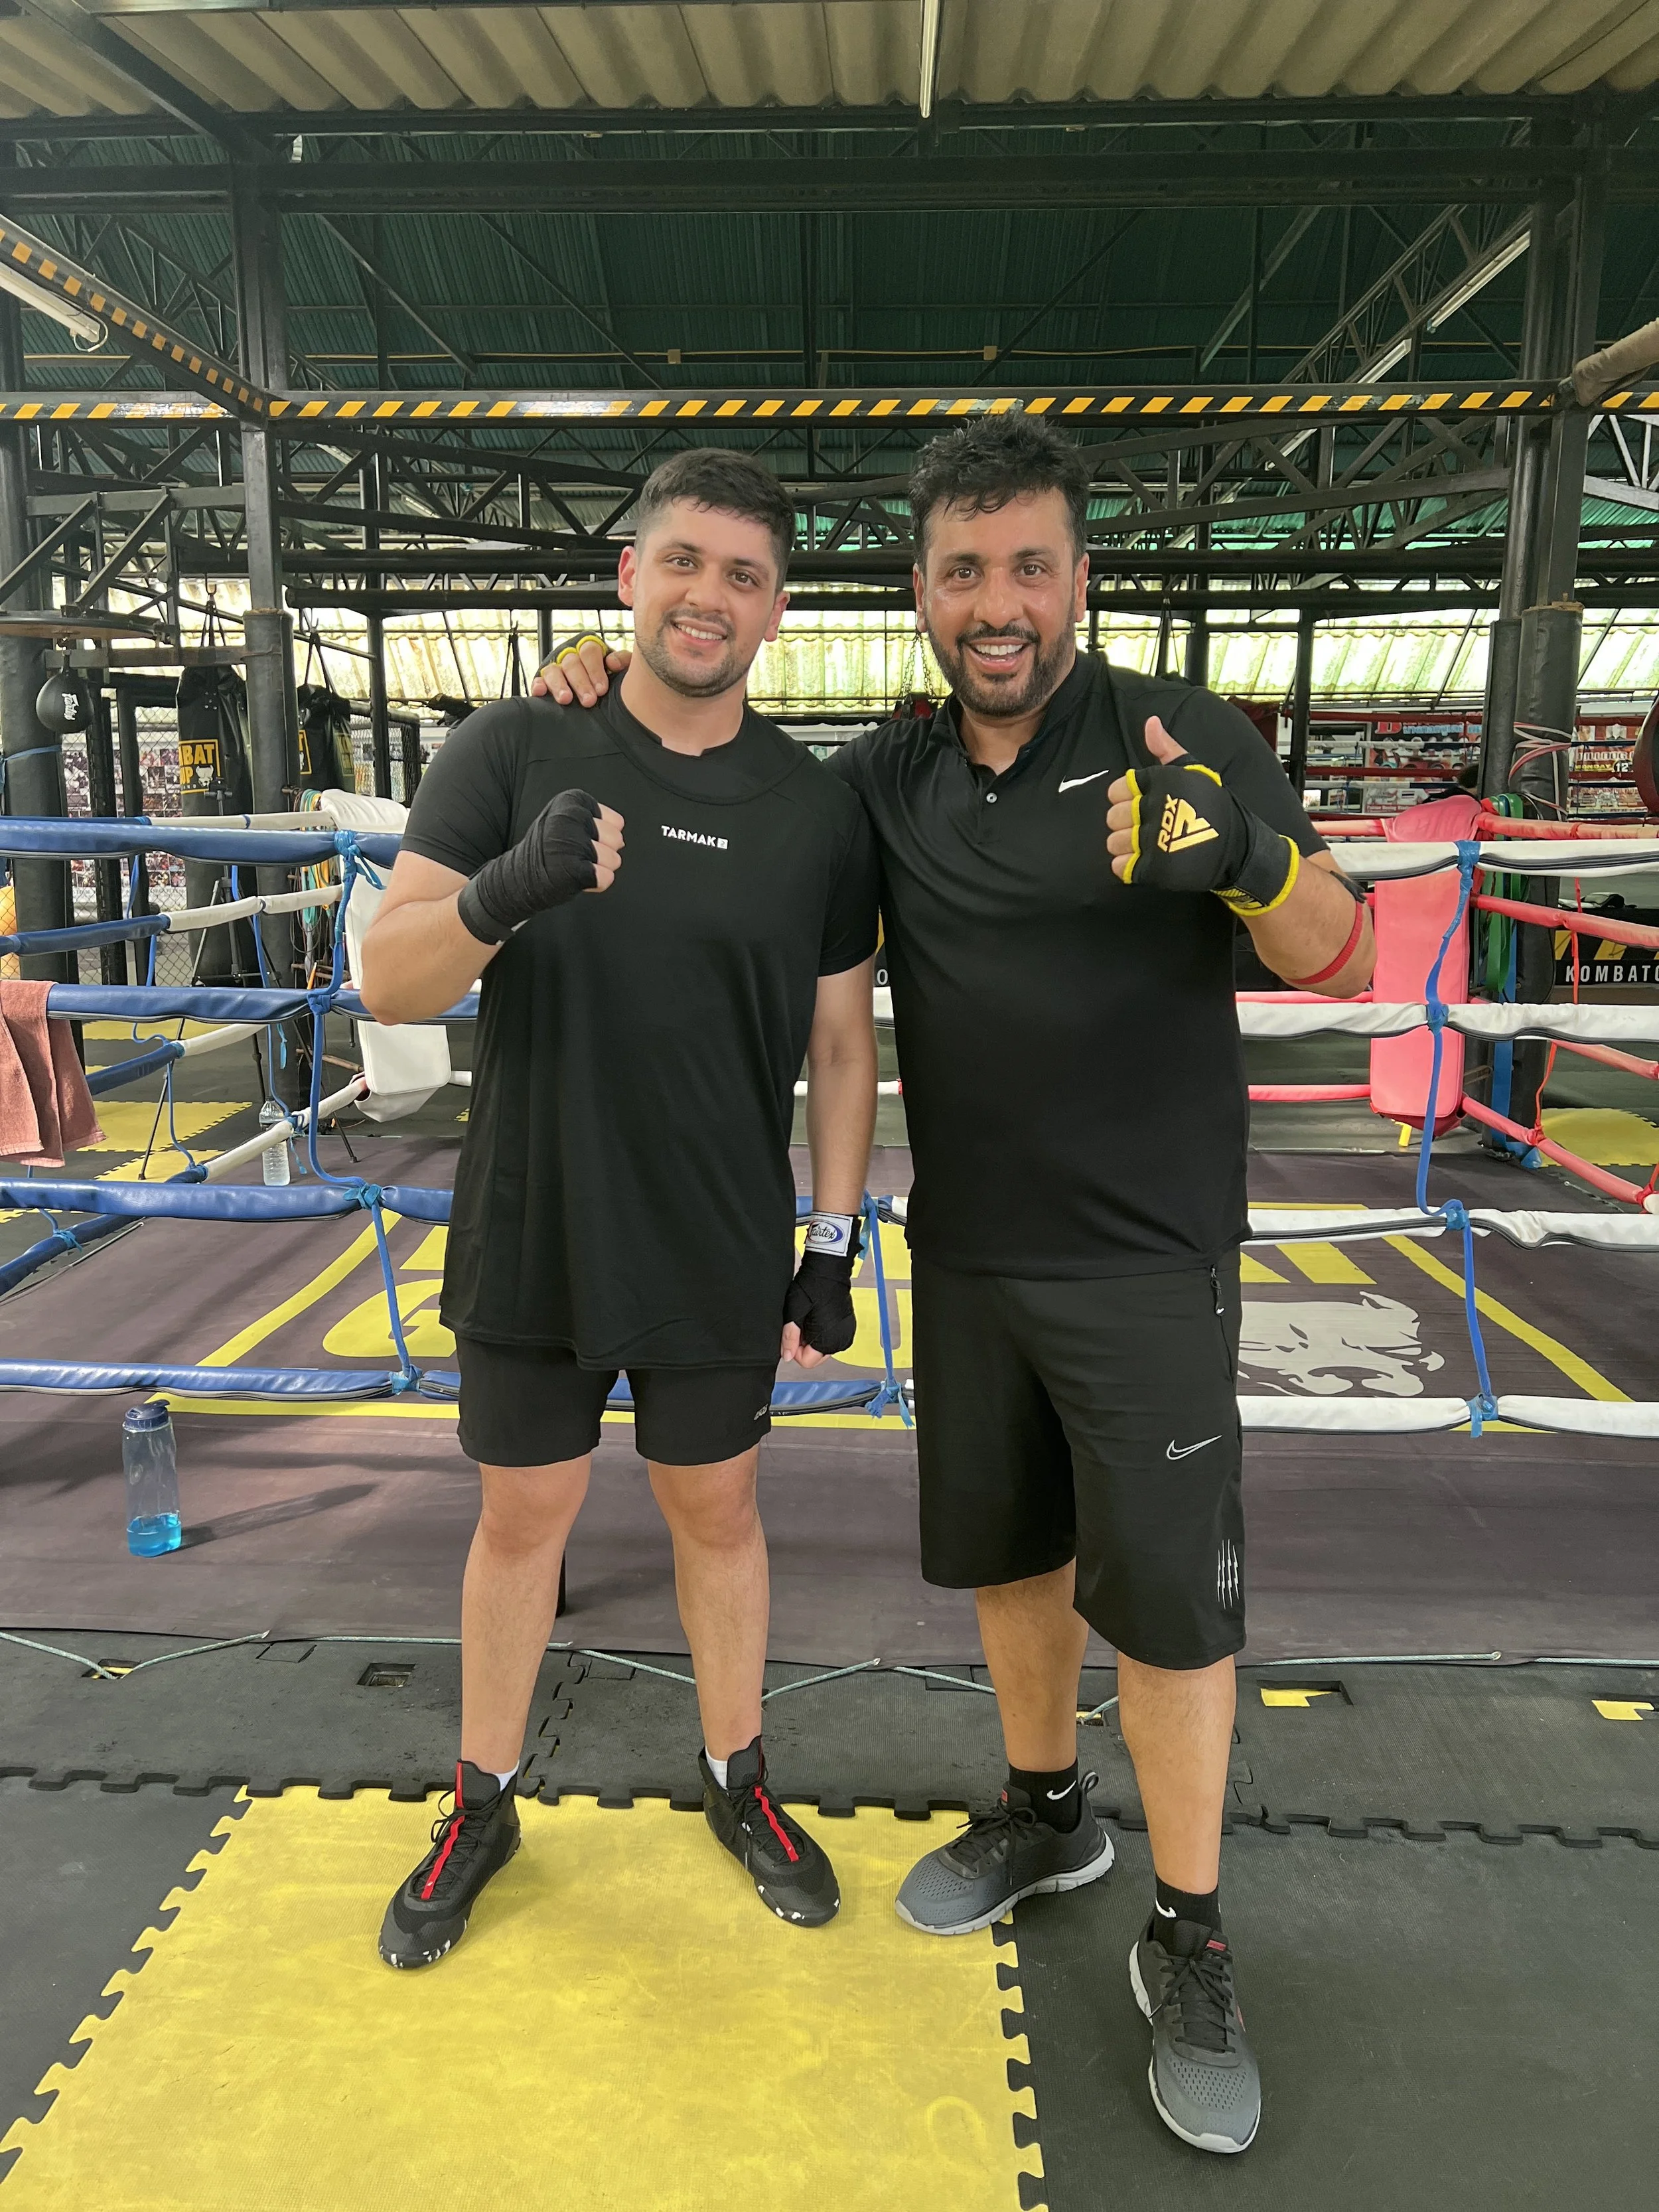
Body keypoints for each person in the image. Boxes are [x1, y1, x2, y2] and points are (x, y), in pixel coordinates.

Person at [536, 416, 1374, 2156]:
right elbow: (727, 791)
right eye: (963, 571)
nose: (998, 604)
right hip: (973, 1249)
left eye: (1029, 567)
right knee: (1011, 1560)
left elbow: (1336, 949)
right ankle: (1046, 1808)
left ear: (1079, 578)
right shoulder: (886, 779)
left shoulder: (1175, 736)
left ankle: (1190, 1925)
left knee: (1168, 1606)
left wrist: (1253, 860)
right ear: (919, 592)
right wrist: (591, 690)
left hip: (1148, 1256)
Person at [360, 448, 879, 1968]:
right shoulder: (515, 743)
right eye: (682, 562)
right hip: (535, 1215)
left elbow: (843, 1039)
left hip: (718, 1228)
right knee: (521, 1514)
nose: (706, 595)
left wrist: (833, 1241)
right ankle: (482, 1792)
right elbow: (386, 977)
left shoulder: (812, 808)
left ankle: (737, 1776)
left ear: (775, 612)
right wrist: (499, 892)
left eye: (741, 575)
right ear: (626, 577)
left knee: (716, 1510)